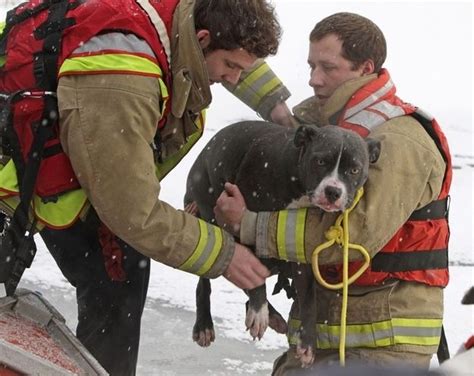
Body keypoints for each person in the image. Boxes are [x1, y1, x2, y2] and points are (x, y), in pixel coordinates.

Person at [0, 0, 294, 374]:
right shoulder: (122, 76)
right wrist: (225, 255)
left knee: (121, 284)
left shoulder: (187, 19)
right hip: (22, 177)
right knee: (116, 286)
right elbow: (133, 210)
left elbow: (231, 45)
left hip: (77, 164)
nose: (233, 78)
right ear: (201, 40)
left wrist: (279, 109)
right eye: (231, 68)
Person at [214, 12, 452, 373]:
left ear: (365, 67)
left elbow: (352, 236)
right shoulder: (330, 130)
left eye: (328, 67)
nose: (313, 79)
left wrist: (249, 226)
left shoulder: (399, 139)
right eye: (310, 66)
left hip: (380, 341)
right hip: (326, 337)